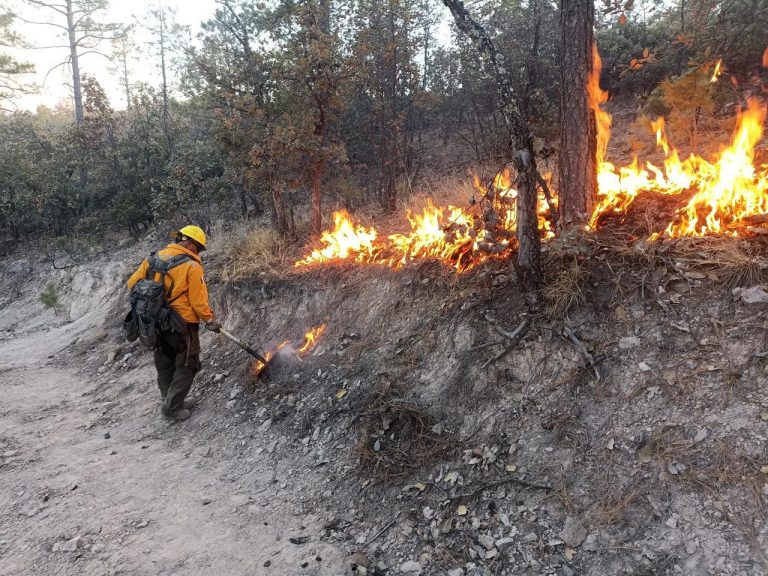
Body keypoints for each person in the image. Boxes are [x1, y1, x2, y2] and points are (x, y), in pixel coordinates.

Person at [127, 225, 221, 421]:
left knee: (165, 363)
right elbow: (198, 301)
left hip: (154, 322)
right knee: (188, 364)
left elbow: (132, 284)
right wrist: (210, 320)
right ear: (189, 243)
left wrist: (157, 300)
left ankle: (169, 400)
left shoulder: (152, 259)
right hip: (182, 324)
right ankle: (172, 409)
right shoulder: (191, 266)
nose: (198, 252)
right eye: (198, 248)